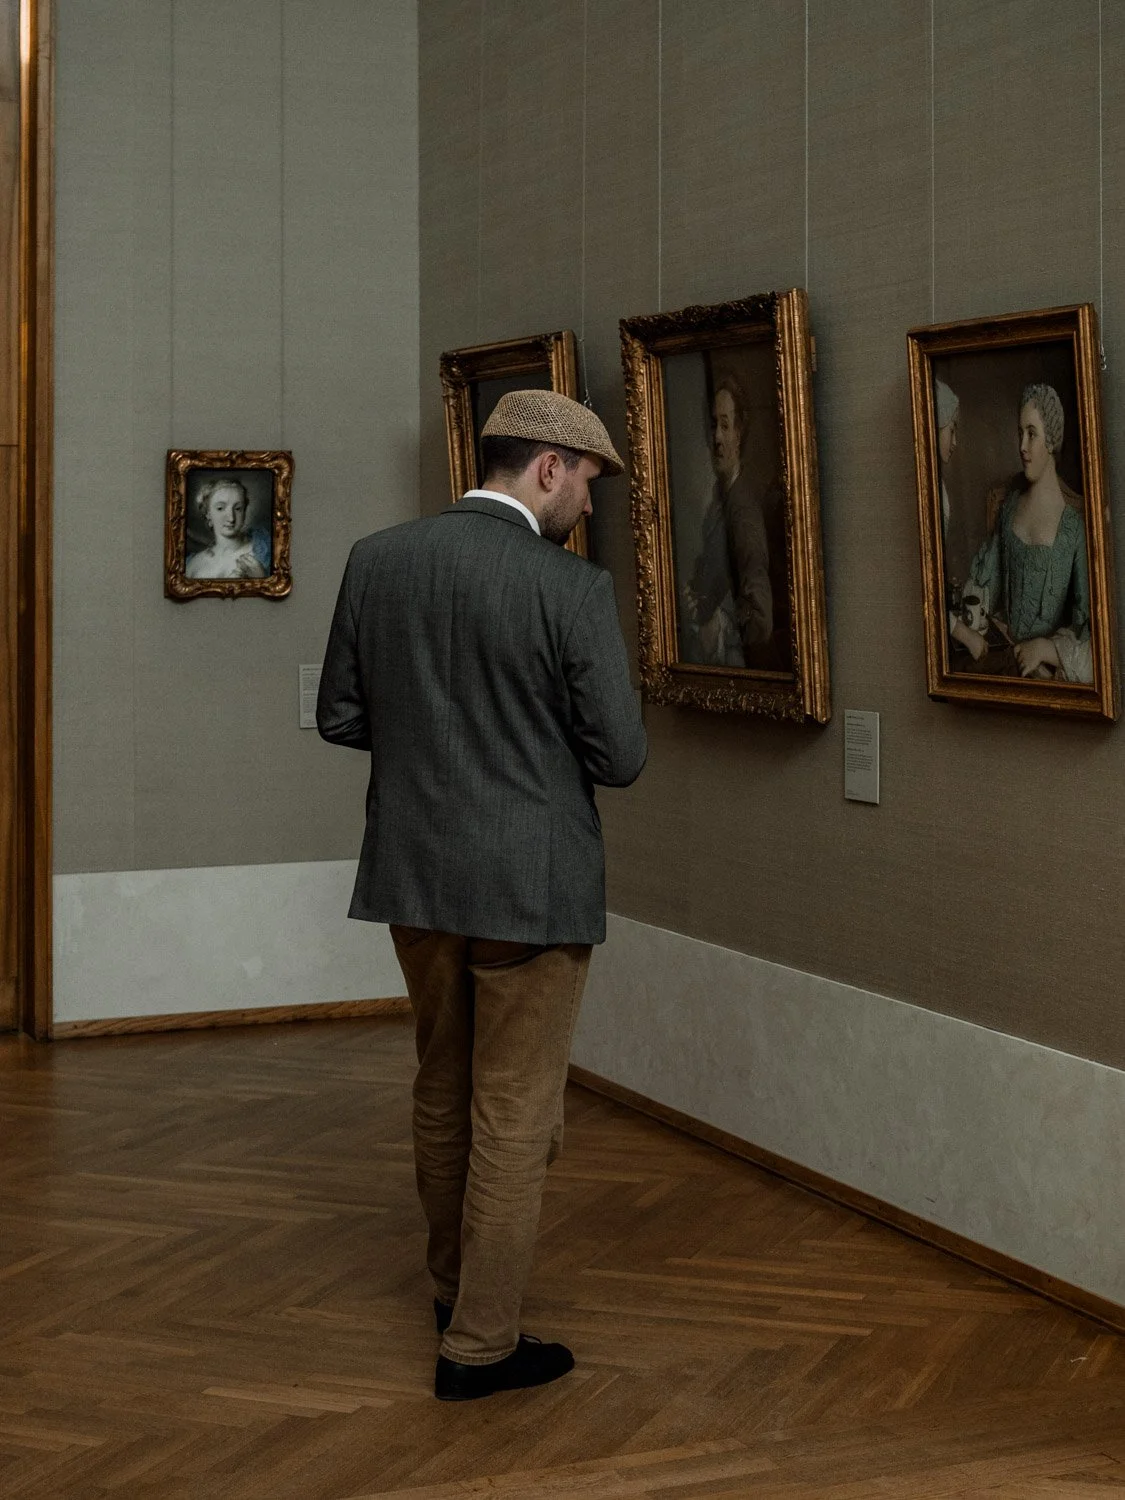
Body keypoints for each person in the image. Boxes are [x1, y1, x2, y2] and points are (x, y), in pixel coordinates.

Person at [317, 390, 646, 1401]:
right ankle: (481, 1347)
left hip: (416, 877)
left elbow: (340, 717)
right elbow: (622, 758)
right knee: (514, 1115)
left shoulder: (378, 560)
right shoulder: (573, 593)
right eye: (589, 480)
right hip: (532, 887)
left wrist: (433, 756)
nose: (589, 505)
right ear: (546, 465)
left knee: (441, 1087)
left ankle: (454, 1291)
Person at [949, 383, 1092, 683]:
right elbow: (989, 581)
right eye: (1020, 433)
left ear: (1051, 440)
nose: (1022, 446)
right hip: (1003, 651)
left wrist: (1047, 649)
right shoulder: (1011, 503)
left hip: (1045, 670)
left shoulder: (1074, 526)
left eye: (1031, 433)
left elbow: (1086, 621)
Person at [683, 377, 788, 671]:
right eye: (714, 424)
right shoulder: (719, 502)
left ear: (739, 434)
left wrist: (722, 622)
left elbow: (760, 618)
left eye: (726, 426)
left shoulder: (744, 511)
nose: (717, 437)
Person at [185, 478, 268, 579]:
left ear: (244, 511)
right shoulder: (193, 563)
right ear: (208, 513)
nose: (231, 518)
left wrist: (261, 579)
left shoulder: (263, 550)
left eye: (238, 509)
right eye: (220, 508)